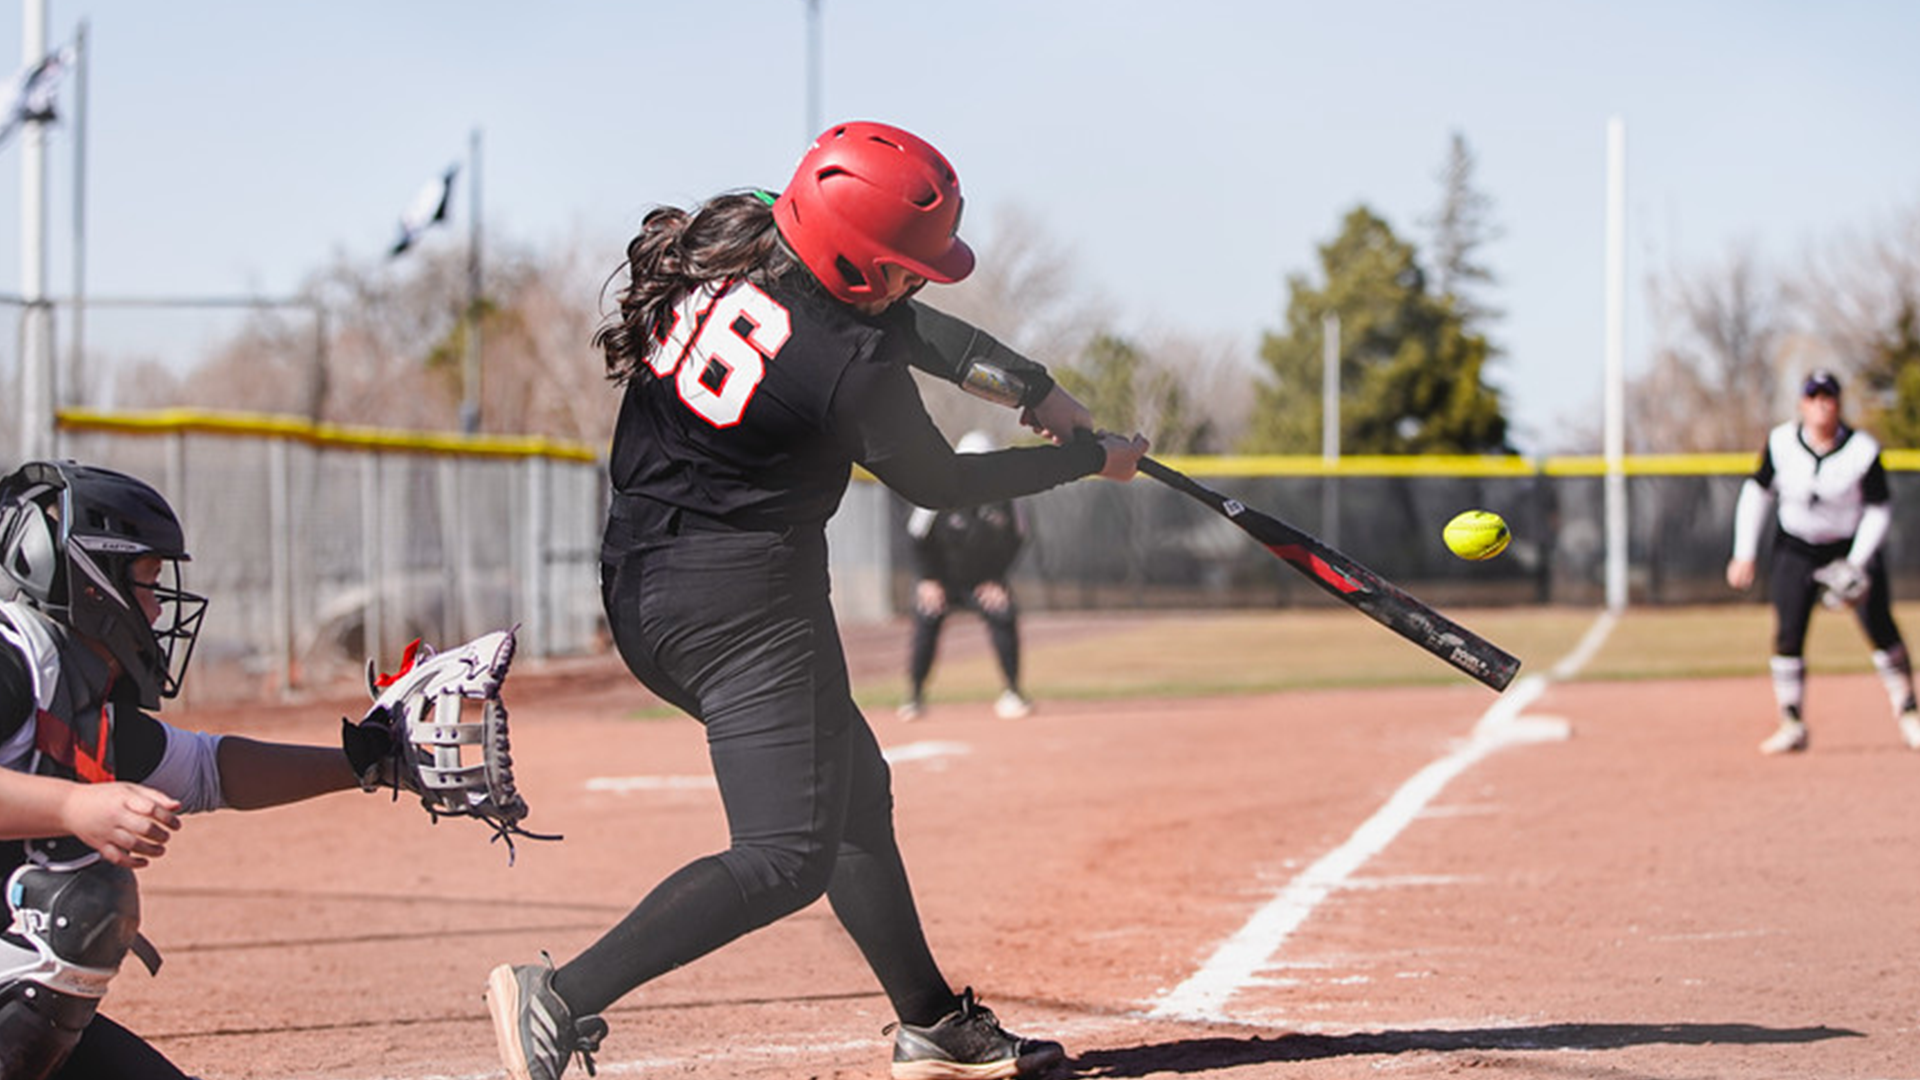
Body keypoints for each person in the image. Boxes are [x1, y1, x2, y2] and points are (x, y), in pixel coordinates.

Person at [483, 120, 1149, 1080]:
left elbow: (901, 323)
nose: (916, 283)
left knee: (853, 797)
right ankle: (563, 994)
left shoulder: (747, 235)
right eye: (903, 267)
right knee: (786, 854)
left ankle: (930, 1022)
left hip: (642, 578)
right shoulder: (850, 366)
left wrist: (1033, 389)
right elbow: (940, 484)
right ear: (852, 261)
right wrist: (1086, 459)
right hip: (741, 606)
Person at [0, 459, 433, 1080]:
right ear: (92, 580)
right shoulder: (13, 657)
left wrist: (371, 761)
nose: (156, 609)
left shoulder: (80, 695)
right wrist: (72, 808)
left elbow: (212, 770)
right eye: (148, 581)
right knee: (84, 905)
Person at [1726, 369, 1920, 755]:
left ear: (1838, 403)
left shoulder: (1862, 450)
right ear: (1802, 404)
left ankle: (1909, 712)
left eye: (1827, 397)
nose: (1821, 405)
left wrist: (1856, 563)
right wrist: (1743, 551)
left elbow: (1879, 509)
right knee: (1788, 632)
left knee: (1879, 626)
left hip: (1850, 545)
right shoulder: (1782, 442)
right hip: (1795, 546)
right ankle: (1792, 719)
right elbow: (1757, 492)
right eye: (1813, 397)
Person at [899, 430, 1033, 722]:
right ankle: (914, 695)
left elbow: (1018, 539)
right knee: (927, 619)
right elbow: (916, 539)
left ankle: (1013, 691)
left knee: (1003, 612)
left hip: (983, 581)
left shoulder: (1007, 500)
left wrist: (997, 579)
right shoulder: (938, 492)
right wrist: (928, 580)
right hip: (941, 581)